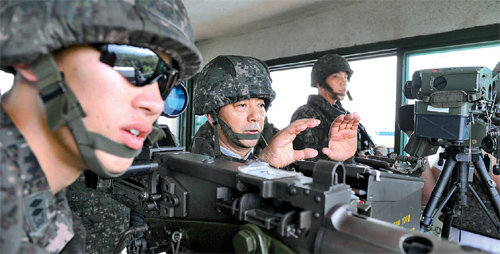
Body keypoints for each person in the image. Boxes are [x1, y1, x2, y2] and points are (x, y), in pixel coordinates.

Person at [0, 0, 202, 252]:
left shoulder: (45, 213)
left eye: (166, 80)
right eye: (133, 63)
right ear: (34, 55)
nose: (155, 104)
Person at [190, 55, 359, 168]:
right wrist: (263, 164)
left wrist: (340, 159)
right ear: (212, 116)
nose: (255, 117)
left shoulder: (276, 143)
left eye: (260, 105)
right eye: (241, 105)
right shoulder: (194, 165)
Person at [291, 54, 385, 162]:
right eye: (336, 76)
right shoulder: (307, 114)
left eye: (345, 77)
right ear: (319, 83)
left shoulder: (344, 115)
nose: (344, 82)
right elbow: (306, 162)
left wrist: (375, 154)